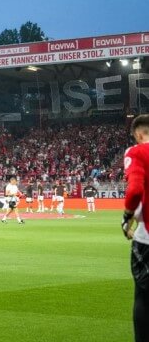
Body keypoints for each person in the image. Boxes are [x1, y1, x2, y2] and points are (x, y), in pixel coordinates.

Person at [121, 114, 149, 341]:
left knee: (144, 296)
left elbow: (135, 190)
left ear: (138, 134)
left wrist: (127, 216)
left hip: (146, 237)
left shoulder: (136, 152)